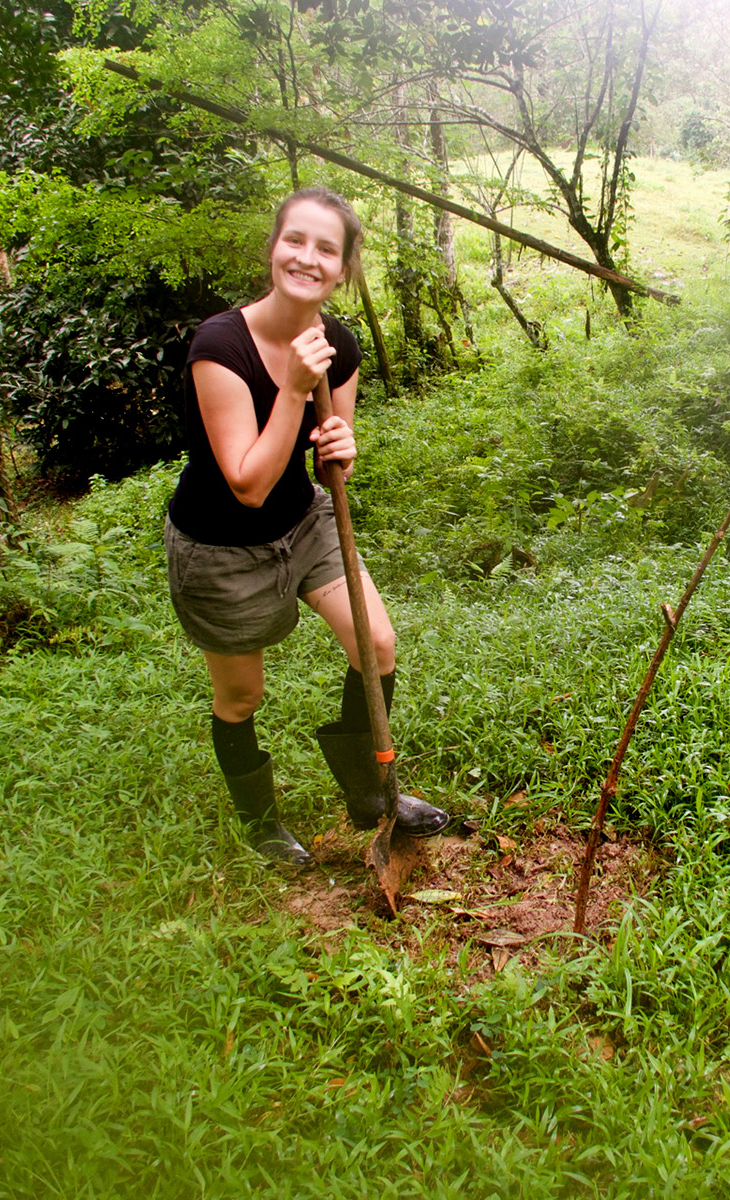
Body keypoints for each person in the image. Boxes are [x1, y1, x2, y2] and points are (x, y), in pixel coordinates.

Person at [164, 186, 449, 865]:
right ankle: (262, 822)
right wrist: (291, 386)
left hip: (306, 524)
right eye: (295, 240)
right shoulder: (219, 345)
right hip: (221, 545)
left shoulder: (337, 345)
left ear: (344, 268)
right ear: (272, 249)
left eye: (328, 248)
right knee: (242, 693)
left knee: (376, 645)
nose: (308, 257)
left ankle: (373, 796)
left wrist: (341, 451)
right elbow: (249, 483)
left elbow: (330, 460)